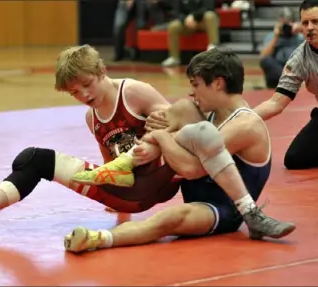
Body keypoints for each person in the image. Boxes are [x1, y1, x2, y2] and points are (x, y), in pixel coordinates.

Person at [64, 48, 296, 254]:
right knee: (183, 112)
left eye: (196, 85)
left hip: (222, 208)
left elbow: (192, 169)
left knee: (171, 217)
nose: (192, 93)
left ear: (217, 84)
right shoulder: (202, 111)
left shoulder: (246, 125)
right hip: (191, 187)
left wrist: (162, 135)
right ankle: (124, 163)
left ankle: (97, 239)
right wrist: (159, 129)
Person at [0, 44, 184, 235]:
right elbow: (111, 166)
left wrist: (156, 145)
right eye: (75, 92)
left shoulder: (134, 92)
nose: (84, 95)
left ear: (101, 71)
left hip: (161, 178)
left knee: (186, 123)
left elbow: (185, 127)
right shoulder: (92, 118)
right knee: (32, 160)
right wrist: (121, 210)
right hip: (131, 193)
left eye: (87, 85)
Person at [254, 0, 318, 170]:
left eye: (315, 22)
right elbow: (276, 103)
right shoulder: (299, 58)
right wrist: (243, 116)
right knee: (294, 159)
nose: (310, 27)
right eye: (305, 23)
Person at [259, 7, 304, 88]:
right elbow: (263, 57)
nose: (286, 28)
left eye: (289, 24)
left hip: (294, 69)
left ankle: (290, 79)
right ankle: (290, 80)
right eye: (284, 24)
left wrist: (302, 29)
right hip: (278, 73)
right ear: (279, 23)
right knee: (266, 61)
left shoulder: (300, 36)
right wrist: (276, 36)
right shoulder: (272, 36)